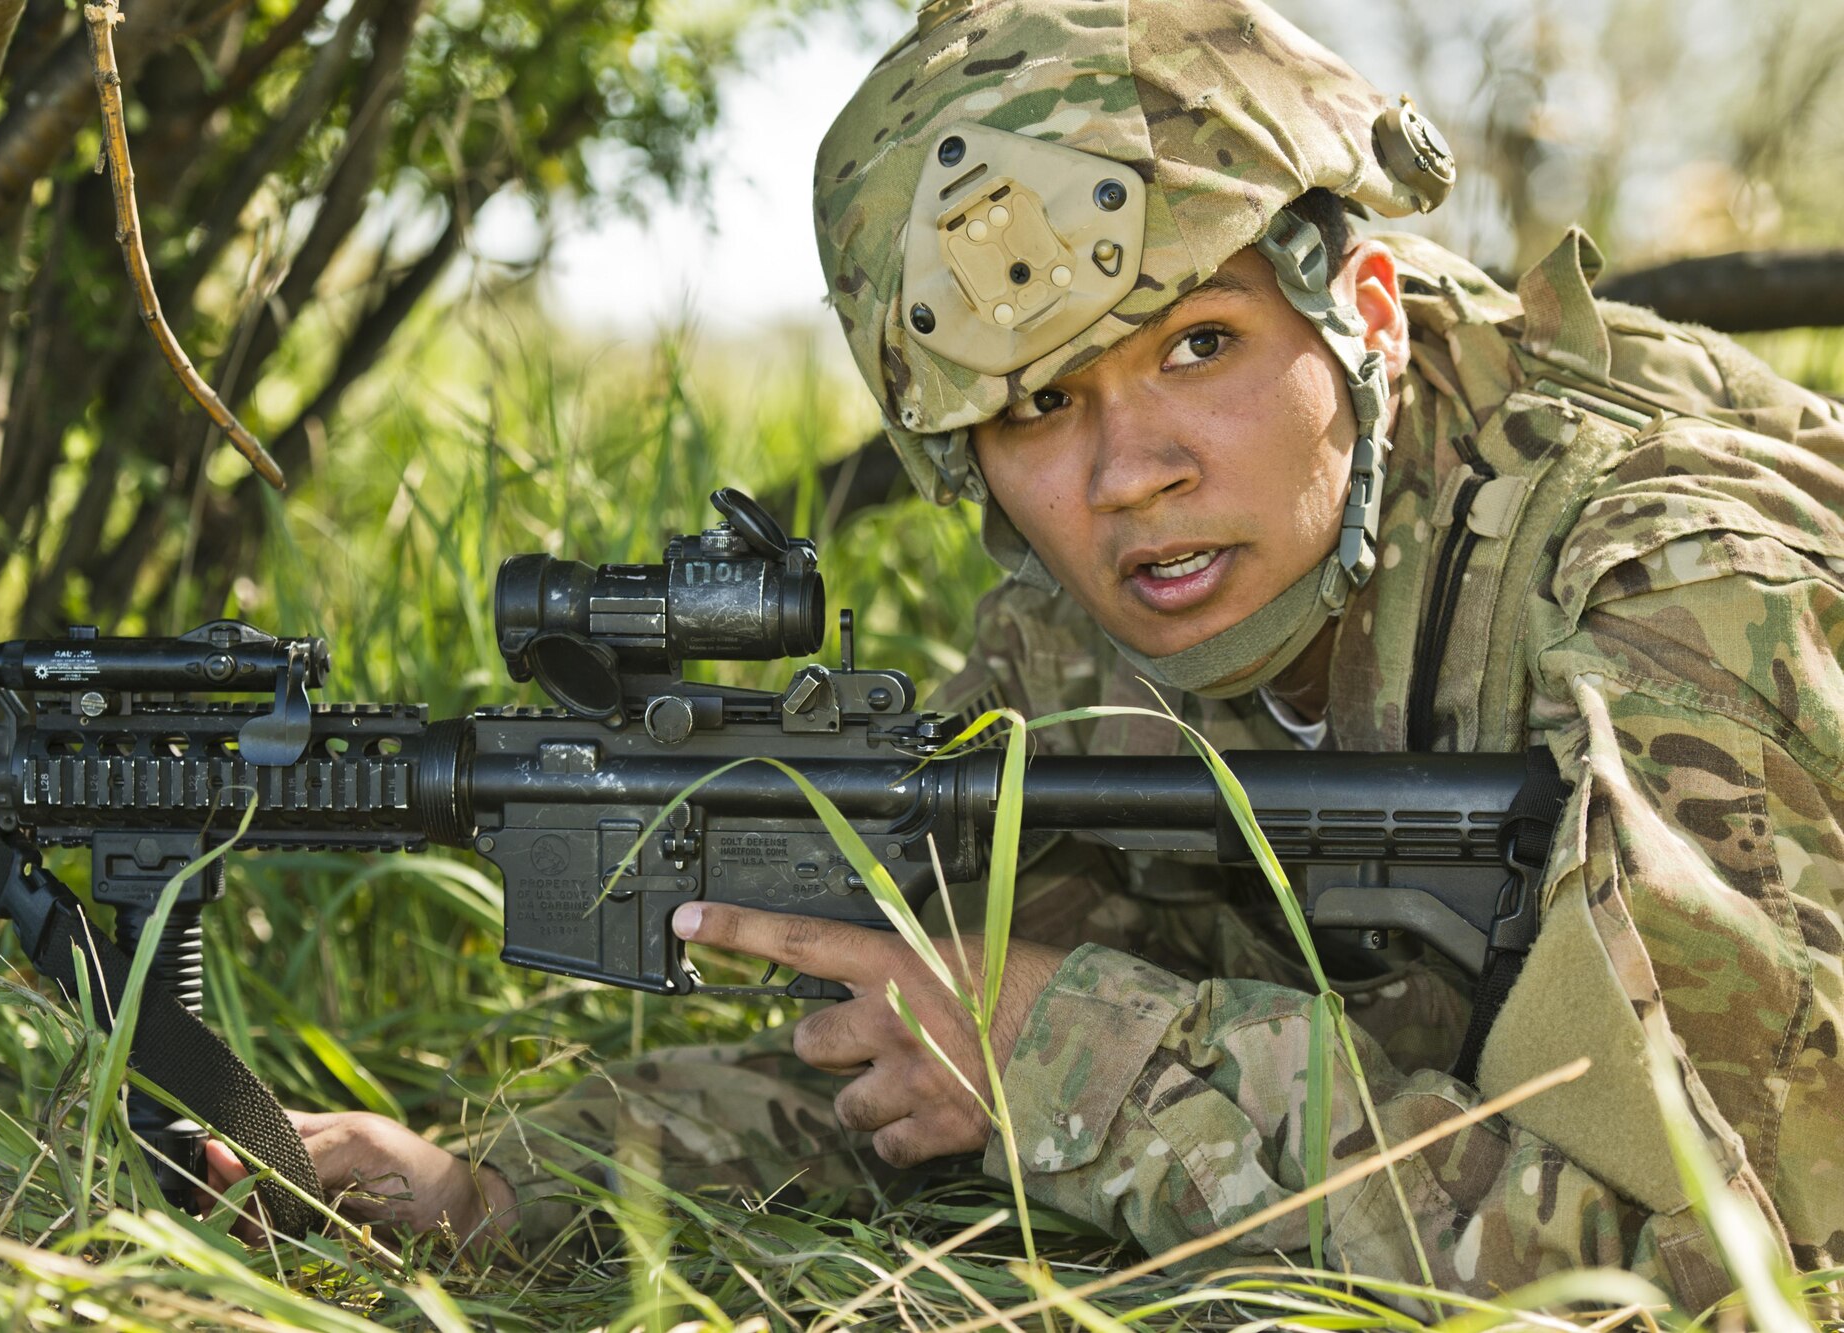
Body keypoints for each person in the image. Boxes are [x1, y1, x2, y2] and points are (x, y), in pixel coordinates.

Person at [208, 0, 1844, 1305]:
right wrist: (502, 1188)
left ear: (1366, 310)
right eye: (1037, 405)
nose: (1130, 471)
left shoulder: (1675, 595)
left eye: (1198, 346)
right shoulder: (1095, 633)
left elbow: (1728, 1255)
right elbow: (937, 1054)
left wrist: (1084, 1067)